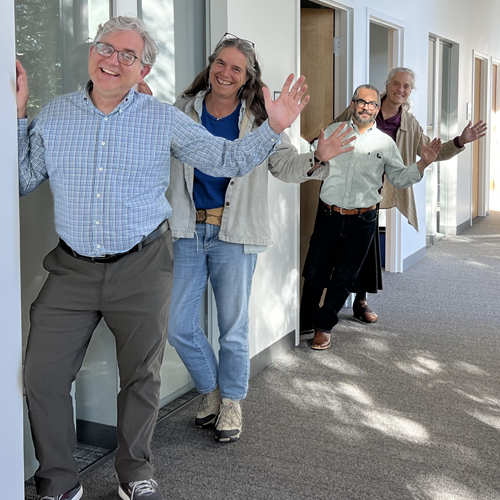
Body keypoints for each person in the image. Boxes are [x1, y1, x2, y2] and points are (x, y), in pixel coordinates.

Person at [17, 16, 312, 500]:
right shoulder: (55, 116)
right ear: (92, 52)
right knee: (42, 376)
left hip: (142, 265)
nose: (112, 59)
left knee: (141, 376)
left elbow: (226, 160)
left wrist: (273, 127)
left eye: (127, 55)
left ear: (144, 70)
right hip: (70, 268)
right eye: (105, 48)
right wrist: (19, 116)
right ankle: (58, 480)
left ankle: (134, 471)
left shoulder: (164, 119)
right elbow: (21, 181)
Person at [139, 33, 355, 443]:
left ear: (246, 78)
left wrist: (318, 157)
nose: (225, 72)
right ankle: (212, 390)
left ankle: (232, 401)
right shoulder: (180, 111)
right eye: (221, 63)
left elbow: (287, 167)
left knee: (232, 327)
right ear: (211, 65)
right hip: (185, 230)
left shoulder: (260, 120)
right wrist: (143, 108)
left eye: (236, 68)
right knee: (178, 324)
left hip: (233, 235)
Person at [330, 67, 487, 324]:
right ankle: (333, 300)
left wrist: (460, 140)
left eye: (406, 86)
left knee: (367, 244)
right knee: (340, 242)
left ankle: (359, 300)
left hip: (375, 191)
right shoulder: (365, 106)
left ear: (409, 92)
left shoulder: (410, 124)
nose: (400, 90)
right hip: (348, 185)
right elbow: (333, 130)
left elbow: (433, 152)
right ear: (387, 85)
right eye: (396, 84)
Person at [300, 84, 442, 350]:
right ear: (353, 104)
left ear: (377, 108)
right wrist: (317, 156)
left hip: (363, 219)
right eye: (361, 102)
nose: (366, 107)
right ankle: (306, 317)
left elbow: (399, 178)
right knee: (316, 270)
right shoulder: (332, 133)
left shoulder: (385, 143)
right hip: (329, 214)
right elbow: (311, 164)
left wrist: (422, 163)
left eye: (371, 104)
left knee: (344, 276)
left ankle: (324, 326)